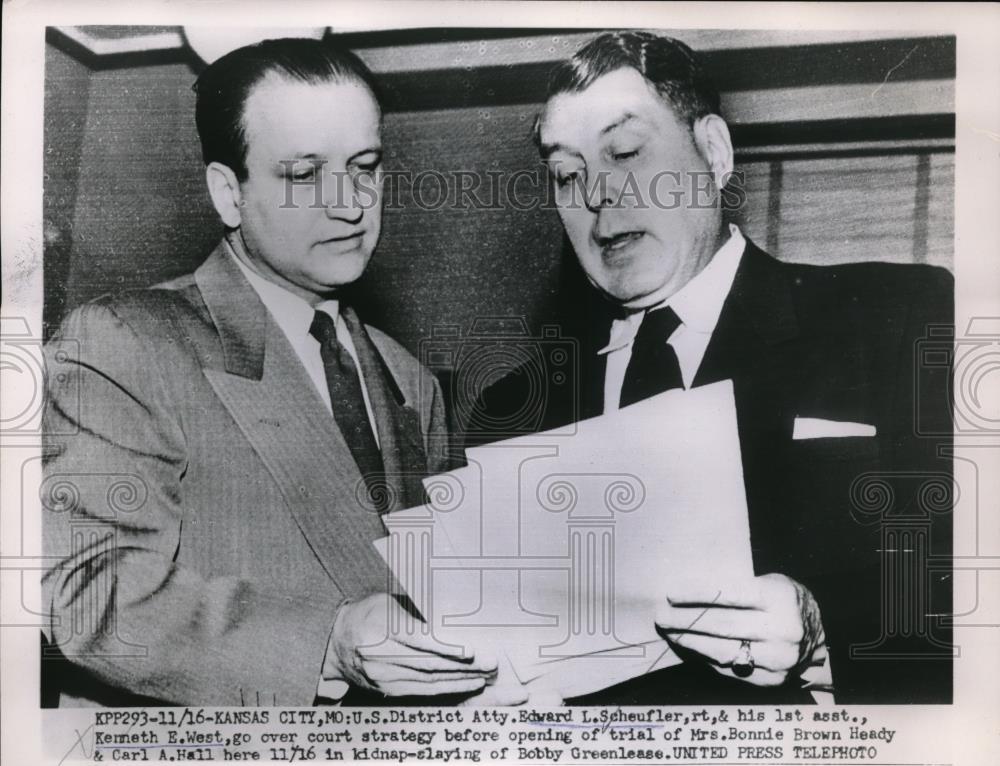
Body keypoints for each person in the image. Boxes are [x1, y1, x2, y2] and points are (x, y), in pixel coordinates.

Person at [467, 31, 953, 705]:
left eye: (627, 153)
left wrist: (822, 635)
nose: (598, 195)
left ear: (715, 153)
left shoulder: (900, 321)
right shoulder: (508, 411)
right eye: (567, 174)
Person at [41, 38, 503, 707]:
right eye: (304, 175)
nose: (349, 204)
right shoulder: (121, 343)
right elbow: (84, 592)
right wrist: (324, 642)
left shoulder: (411, 381)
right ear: (229, 193)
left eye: (365, 166)